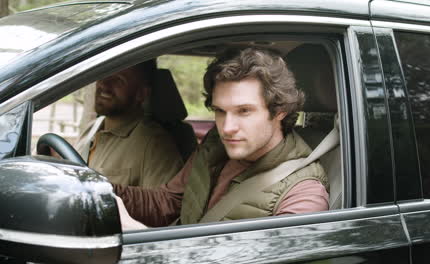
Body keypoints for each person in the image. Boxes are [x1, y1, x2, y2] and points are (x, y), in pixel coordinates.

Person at [114, 47, 329, 230]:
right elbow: (168, 203)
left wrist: (141, 239)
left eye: (244, 111)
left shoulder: (303, 193)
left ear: (279, 112)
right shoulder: (215, 145)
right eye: (220, 111)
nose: (227, 128)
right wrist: (101, 192)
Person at [75, 61, 183, 188]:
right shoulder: (92, 129)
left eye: (118, 80)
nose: (104, 84)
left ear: (141, 94)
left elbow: (162, 205)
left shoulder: (154, 145)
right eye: (103, 74)